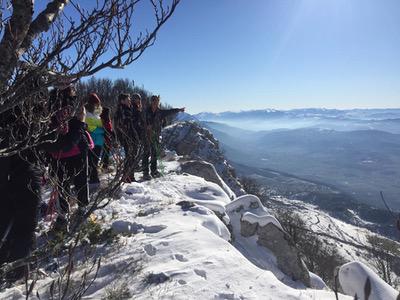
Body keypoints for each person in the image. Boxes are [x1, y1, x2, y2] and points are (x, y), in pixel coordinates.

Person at [46, 88, 93, 231]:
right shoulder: (73, 106)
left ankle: (63, 216)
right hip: (75, 151)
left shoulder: (50, 105)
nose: (75, 90)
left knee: (62, 185)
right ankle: (81, 209)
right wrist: (81, 122)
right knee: (80, 181)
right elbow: (74, 134)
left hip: (57, 154)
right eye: (73, 89)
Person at [145, 95, 184, 177]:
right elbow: (141, 122)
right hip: (147, 135)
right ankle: (145, 173)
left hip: (156, 135)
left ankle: (154, 171)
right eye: (154, 101)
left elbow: (170, 111)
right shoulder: (146, 111)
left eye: (157, 102)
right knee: (146, 154)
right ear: (151, 102)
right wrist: (146, 126)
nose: (156, 103)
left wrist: (179, 110)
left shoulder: (160, 112)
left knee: (154, 154)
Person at [114, 93, 139, 182]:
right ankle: (127, 177)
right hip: (127, 138)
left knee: (131, 157)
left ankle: (129, 176)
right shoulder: (123, 111)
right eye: (127, 100)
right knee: (130, 157)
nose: (129, 101)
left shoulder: (126, 109)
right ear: (122, 101)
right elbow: (122, 126)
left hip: (128, 137)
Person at [85, 93, 104, 184]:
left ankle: (93, 177)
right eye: (96, 103)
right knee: (92, 161)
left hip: (99, 141)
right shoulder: (87, 114)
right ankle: (93, 179)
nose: (97, 105)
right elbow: (90, 128)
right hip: (92, 141)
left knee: (95, 161)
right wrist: (101, 130)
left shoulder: (97, 115)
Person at [131, 93, 150, 180]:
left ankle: (135, 169)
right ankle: (131, 173)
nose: (137, 100)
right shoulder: (133, 108)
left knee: (136, 152)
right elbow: (134, 120)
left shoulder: (138, 108)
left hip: (138, 133)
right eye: (136, 99)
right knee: (133, 153)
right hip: (134, 133)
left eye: (138, 99)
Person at [100, 107, 115, 171]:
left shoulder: (104, 119)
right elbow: (107, 129)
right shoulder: (105, 120)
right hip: (106, 138)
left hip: (107, 138)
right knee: (105, 152)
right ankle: (104, 166)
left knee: (106, 152)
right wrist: (111, 133)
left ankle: (104, 165)